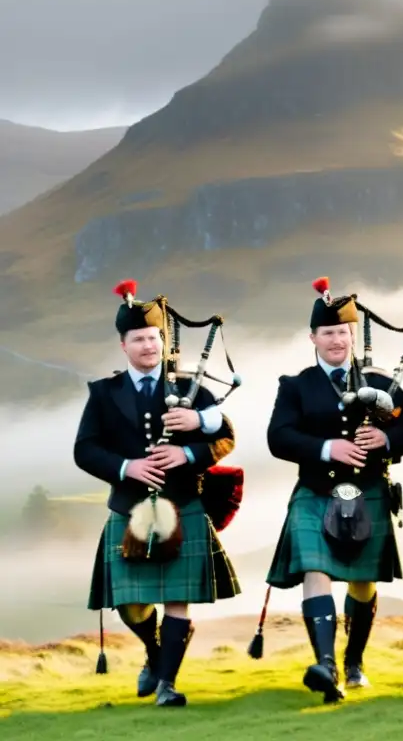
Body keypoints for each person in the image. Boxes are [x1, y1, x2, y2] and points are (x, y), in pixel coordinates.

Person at [77, 280, 241, 708]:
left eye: (154, 338)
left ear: (162, 340)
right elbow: (85, 450)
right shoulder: (104, 393)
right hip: (129, 508)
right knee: (131, 605)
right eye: (139, 339)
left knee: (176, 599)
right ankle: (155, 653)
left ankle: (167, 684)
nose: (149, 346)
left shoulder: (192, 389)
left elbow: (226, 437)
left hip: (183, 504)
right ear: (123, 345)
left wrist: (189, 450)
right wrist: (127, 466)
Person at [264, 277, 403, 704]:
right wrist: (325, 447)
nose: (336, 339)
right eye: (328, 332)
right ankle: (326, 665)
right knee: (315, 572)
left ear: (353, 335)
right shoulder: (296, 386)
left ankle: (354, 662)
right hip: (315, 491)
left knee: (362, 585)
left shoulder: (381, 382)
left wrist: (386, 441)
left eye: (343, 332)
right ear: (313, 337)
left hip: (368, 490)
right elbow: (278, 438)